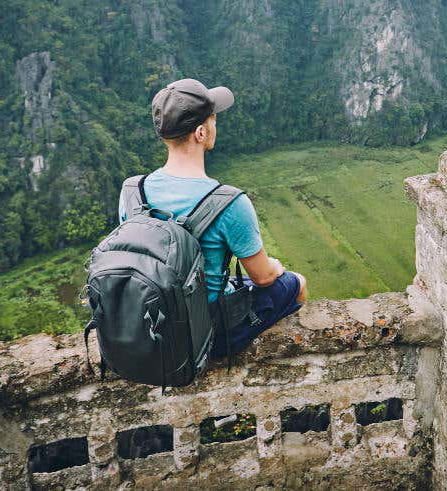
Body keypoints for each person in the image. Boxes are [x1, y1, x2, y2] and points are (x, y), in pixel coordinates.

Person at [118, 78, 307, 358]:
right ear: (201, 133)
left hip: (152, 325)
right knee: (296, 282)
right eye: (213, 119)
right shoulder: (229, 202)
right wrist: (276, 268)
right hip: (206, 334)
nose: (215, 125)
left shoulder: (132, 191)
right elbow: (264, 277)